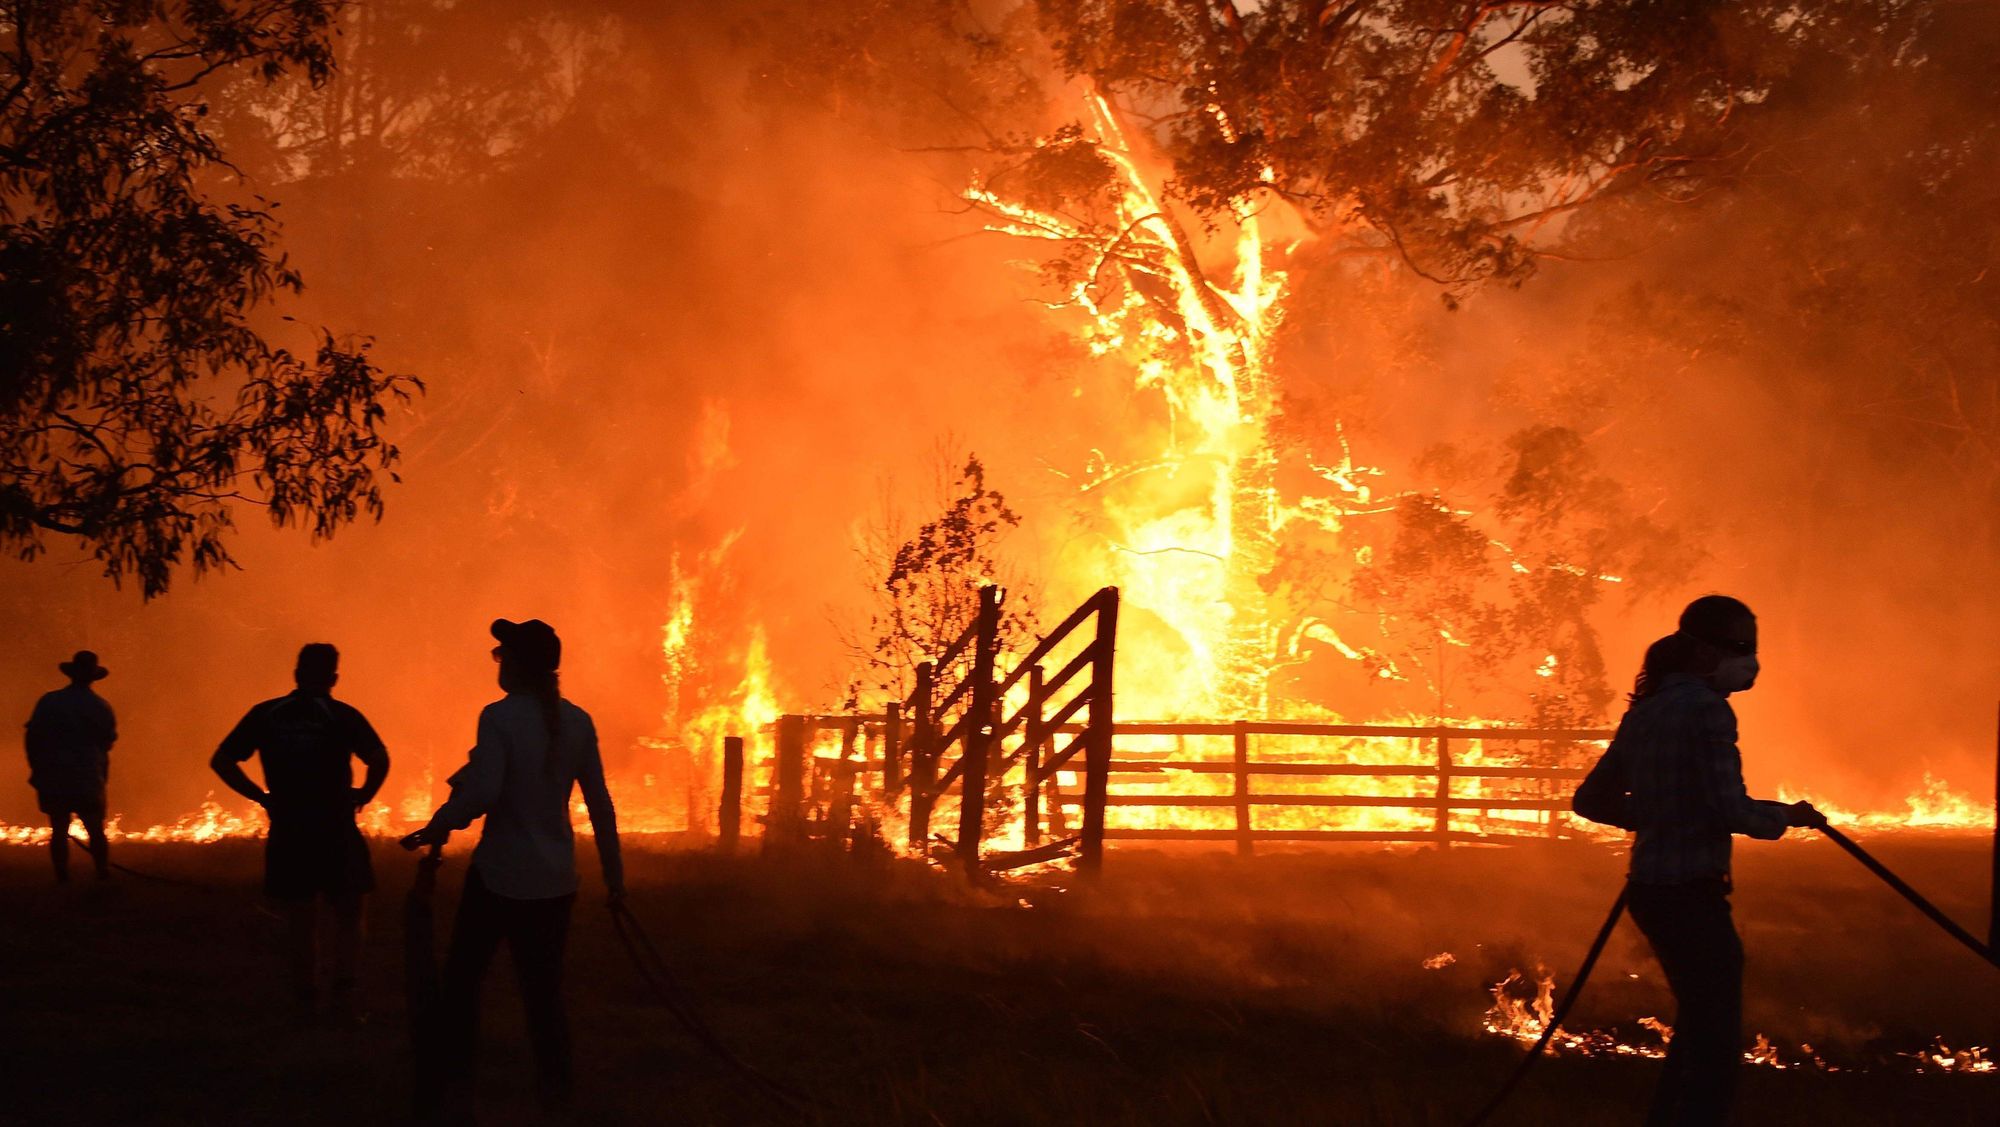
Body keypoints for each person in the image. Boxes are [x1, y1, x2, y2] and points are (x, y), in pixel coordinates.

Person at [1572, 595, 1825, 1126]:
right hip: (1692, 893)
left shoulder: (1645, 713)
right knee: (1714, 1044)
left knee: (1698, 1023)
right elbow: (1726, 805)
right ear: (1703, 650)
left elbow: (1590, 801)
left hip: (1650, 890)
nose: (1750, 660)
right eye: (1741, 648)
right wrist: (1786, 817)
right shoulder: (1710, 710)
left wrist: (1657, 815)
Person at [401, 618, 624, 1117]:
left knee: (462, 982)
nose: (498, 663)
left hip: (499, 877)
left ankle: (454, 1083)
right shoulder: (579, 721)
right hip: (554, 882)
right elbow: (601, 805)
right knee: (543, 992)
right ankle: (556, 1089)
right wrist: (614, 877)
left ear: (519, 666)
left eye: (503, 655)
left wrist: (437, 826)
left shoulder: (498, 718)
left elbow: (483, 791)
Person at [211, 643, 390, 1017]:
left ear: (296, 675)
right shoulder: (341, 715)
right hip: (335, 825)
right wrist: (366, 794)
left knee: (300, 913)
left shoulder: (267, 714)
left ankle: (305, 995)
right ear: (334, 678)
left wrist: (261, 797)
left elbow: (222, 759)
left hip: (290, 826)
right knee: (350, 908)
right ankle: (343, 991)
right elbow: (379, 757)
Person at [24, 650, 118, 882]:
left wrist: (36, 768)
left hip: (55, 775)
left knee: (58, 829)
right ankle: (102, 873)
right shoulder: (100, 707)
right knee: (95, 829)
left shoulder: (50, 701)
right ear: (92, 677)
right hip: (87, 775)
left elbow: (33, 738)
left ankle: (62, 877)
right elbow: (107, 743)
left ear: (72, 674)